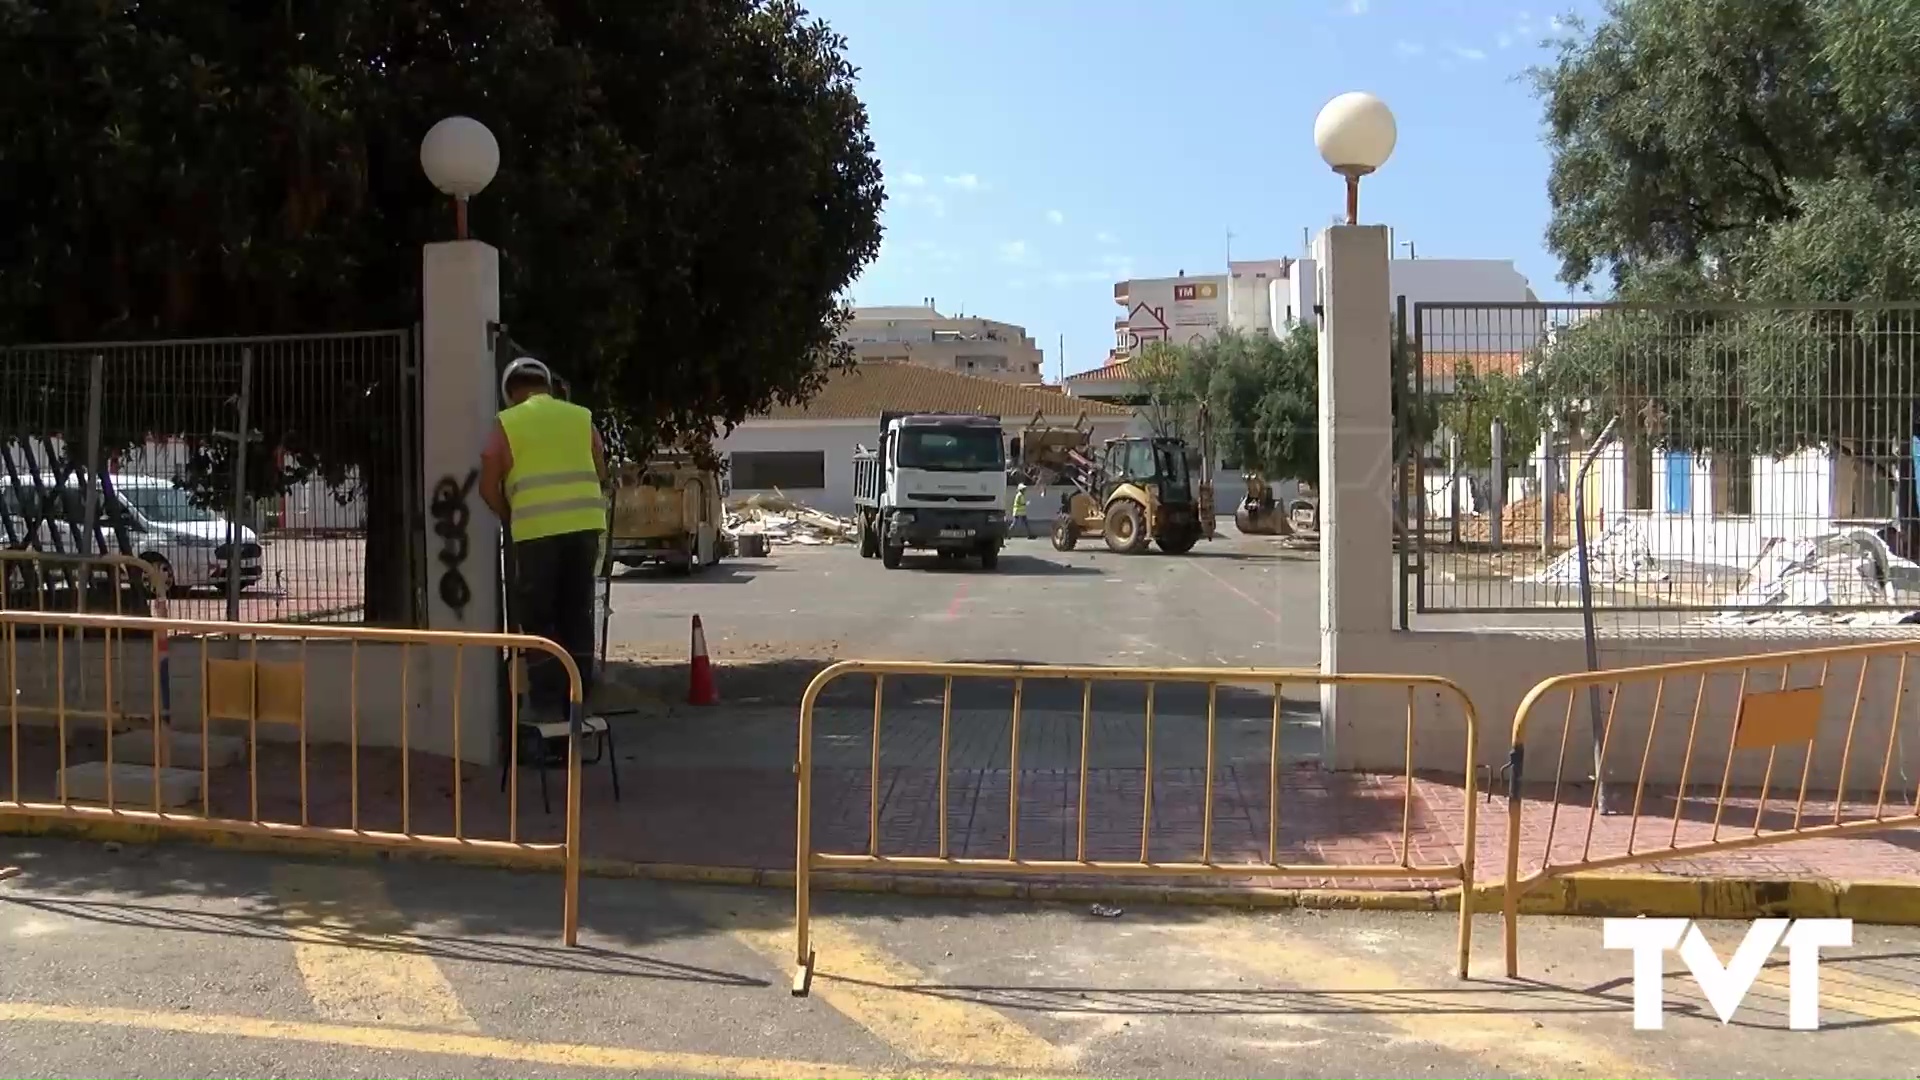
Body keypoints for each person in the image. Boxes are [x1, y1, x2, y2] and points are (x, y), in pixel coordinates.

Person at [479, 357, 608, 720]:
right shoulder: (581, 418)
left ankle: (548, 707)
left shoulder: (507, 423)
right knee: (577, 613)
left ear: (510, 393)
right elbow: (600, 467)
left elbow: (487, 485)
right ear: (548, 387)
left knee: (539, 620)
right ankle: (579, 702)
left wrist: (511, 514)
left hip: (535, 535)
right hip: (584, 529)